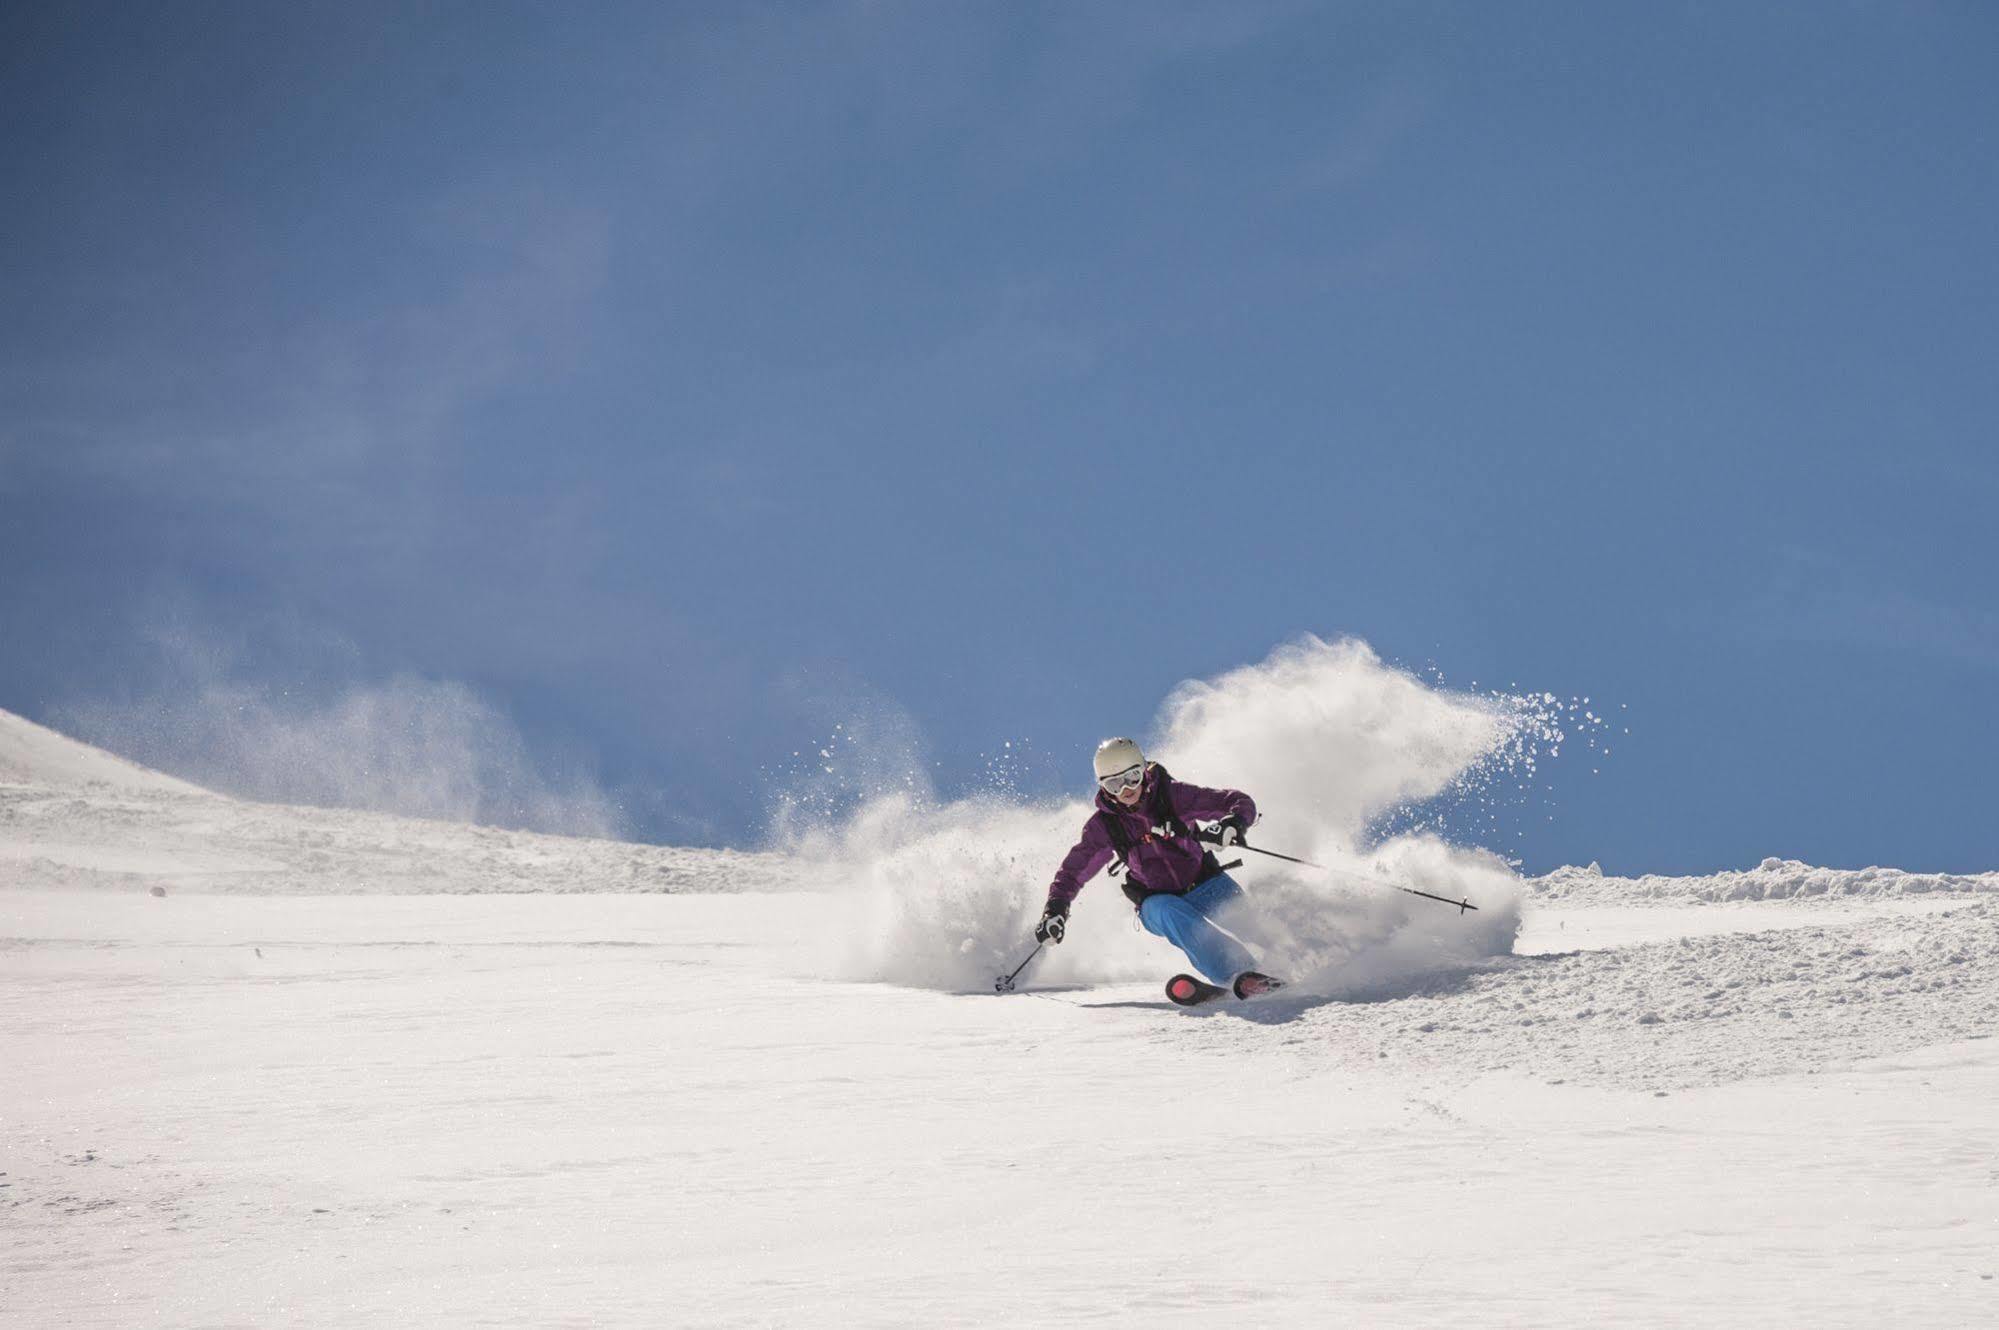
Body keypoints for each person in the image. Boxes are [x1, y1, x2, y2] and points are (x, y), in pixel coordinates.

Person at [1035, 737, 1282, 1002]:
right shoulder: (1104, 826)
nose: (1126, 790)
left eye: (1132, 777)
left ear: (1144, 771)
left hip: (1204, 882)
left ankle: (1296, 961)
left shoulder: (1174, 797)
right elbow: (1074, 871)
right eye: (1114, 784)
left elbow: (1237, 801)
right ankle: (1238, 974)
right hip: (1156, 901)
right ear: (1103, 787)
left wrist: (1232, 824)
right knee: (1171, 912)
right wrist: (1056, 908)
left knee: (1252, 924)